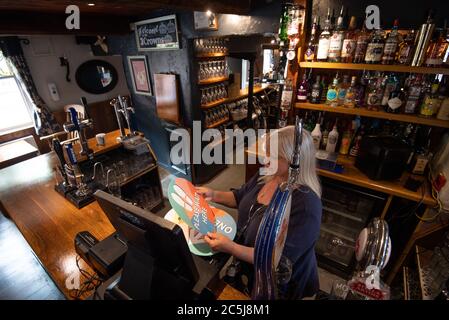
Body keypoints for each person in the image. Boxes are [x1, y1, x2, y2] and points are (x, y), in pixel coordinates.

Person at [196, 126, 322, 300]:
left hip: (283, 288)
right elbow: (240, 197)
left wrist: (231, 247)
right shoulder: (268, 174)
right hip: (250, 272)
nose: (265, 160)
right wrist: (213, 194)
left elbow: (274, 258)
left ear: (295, 162)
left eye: (273, 156)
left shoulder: (307, 206)